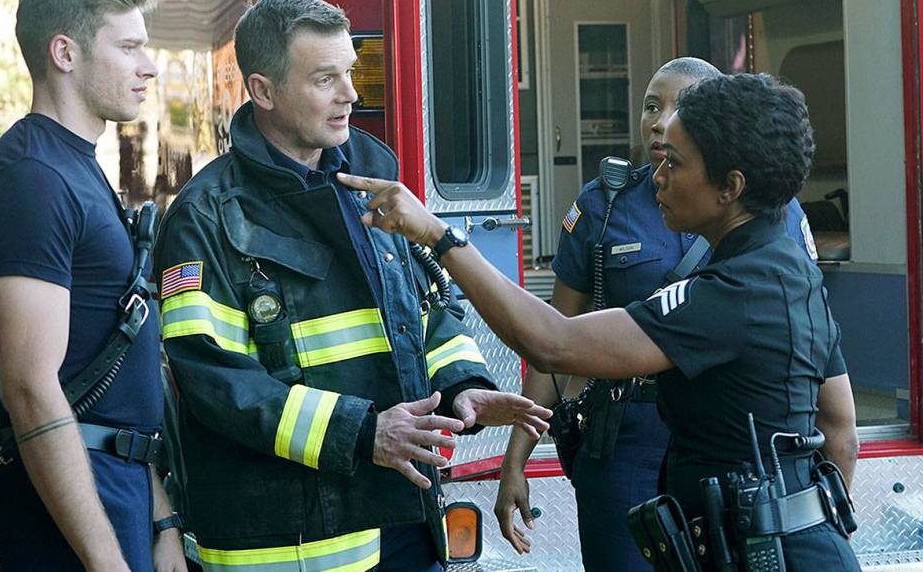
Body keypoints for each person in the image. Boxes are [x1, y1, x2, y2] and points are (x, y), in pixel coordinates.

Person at [339, 73, 861, 570]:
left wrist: (438, 236)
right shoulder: (786, 270)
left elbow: (554, 343)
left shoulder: (736, 292)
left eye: (676, 164)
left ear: (730, 186)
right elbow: (839, 427)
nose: (659, 176)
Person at [153, 0, 551, 572]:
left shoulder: (371, 182)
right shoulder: (205, 216)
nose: (351, 95)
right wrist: (363, 433)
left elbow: (424, 310)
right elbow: (216, 381)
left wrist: (461, 386)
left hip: (403, 517)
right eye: (325, 79)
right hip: (289, 542)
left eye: (350, 72)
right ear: (263, 91)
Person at [495, 58, 818, 570]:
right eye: (651, 106)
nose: (660, 122)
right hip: (625, 432)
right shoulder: (605, 204)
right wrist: (516, 458)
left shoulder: (767, 208)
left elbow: (807, 335)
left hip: (728, 437)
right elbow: (554, 344)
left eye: (680, 107)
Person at [0, 0, 186, 572]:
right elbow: (31, 390)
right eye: (129, 47)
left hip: (118, 486)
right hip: (70, 506)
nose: (148, 67)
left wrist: (160, 518)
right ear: (65, 53)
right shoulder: (31, 180)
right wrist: (107, 562)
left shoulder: (74, 165)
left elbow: (112, 365)